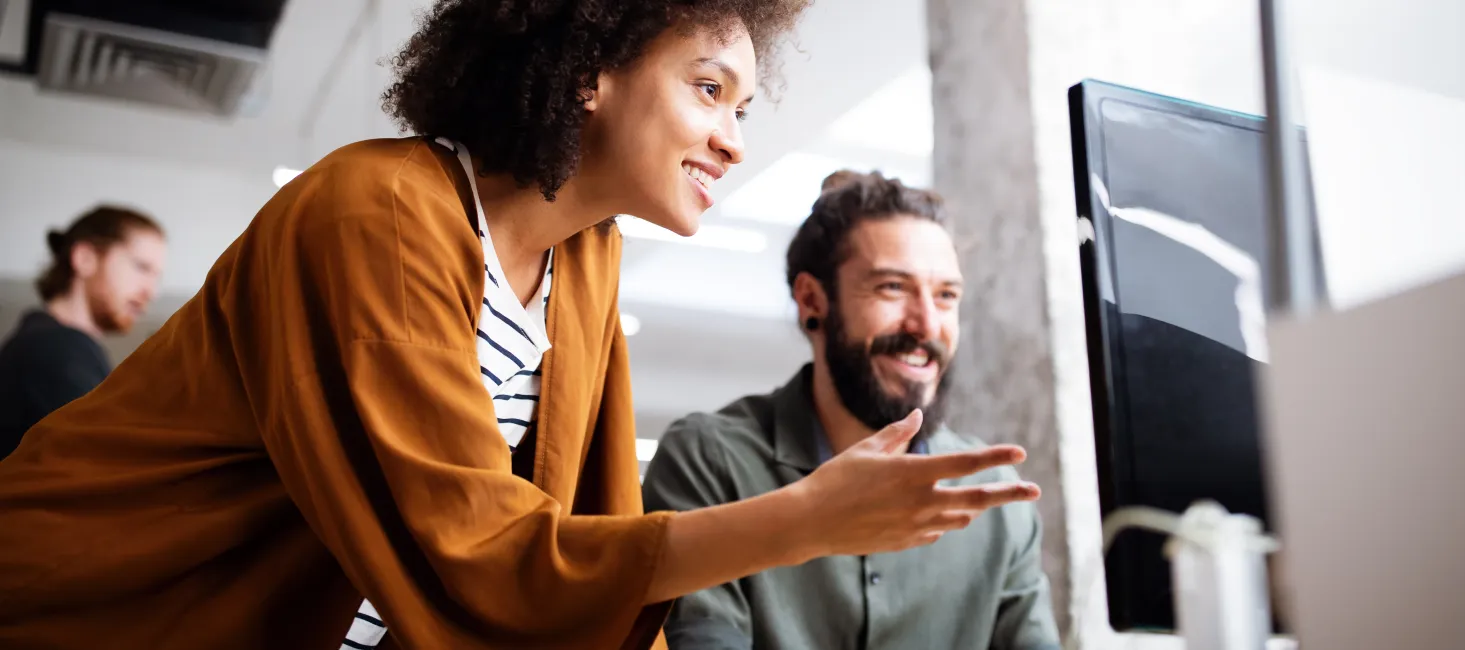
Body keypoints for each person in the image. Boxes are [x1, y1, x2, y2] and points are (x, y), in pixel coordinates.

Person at [0, 3, 1043, 649]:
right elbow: (480, 555)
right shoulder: (377, 212)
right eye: (710, 88)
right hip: (87, 607)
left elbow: (577, 525)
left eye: (744, 108)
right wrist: (804, 517)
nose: (731, 140)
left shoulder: (586, 260)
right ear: (592, 65)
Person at [643, 171, 1063, 650]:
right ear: (811, 300)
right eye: (892, 288)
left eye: (946, 295)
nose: (927, 324)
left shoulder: (995, 501)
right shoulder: (709, 461)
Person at [0, 206, 165, 459]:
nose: (150, 292)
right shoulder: (56, 347)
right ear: (85, 258)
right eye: (141, 267)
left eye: (156, 277)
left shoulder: (54, 344)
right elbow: (103, 466)